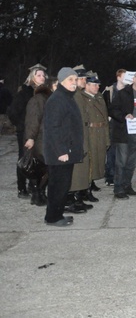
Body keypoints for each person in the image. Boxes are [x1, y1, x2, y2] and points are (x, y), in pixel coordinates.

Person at [43, 68, 83, 227]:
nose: (74, 82)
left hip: (67, 151)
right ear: (61, 81)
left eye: (75, 79)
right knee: (57, 186)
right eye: (70, 79)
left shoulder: (67, 97)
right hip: (60, 153)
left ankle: (57, 213)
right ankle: (52, 217)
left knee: (63, 185)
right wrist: (61, 151)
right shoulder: (57, 99)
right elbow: (53, 128)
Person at [109, 71, 136, 199]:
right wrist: (124, 116)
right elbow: (113, 109)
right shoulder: (123, 93)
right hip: (124, 133)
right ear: (134, 79)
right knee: (121, 162)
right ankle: (118, 188)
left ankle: (127, 186)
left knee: (132, 162)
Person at [8, 63, 47, 198]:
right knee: (25, 159)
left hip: (39, 131)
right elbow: (13, 112)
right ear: (32, 77)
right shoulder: (25, 92)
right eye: (39, 75)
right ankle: (21, 188)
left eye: (43, 75)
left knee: (38, 159)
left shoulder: (44, 92)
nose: (42, 77)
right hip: (26, 132)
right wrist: (22, 125)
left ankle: (34, 186)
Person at [72, 73, 109, 206]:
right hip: (90, 133)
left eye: (98, 85)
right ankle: (85, 190)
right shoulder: (80, 97)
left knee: (97, 161)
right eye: (94, 84)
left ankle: (89, 184)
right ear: (86, 85)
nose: (97, 87)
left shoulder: (99, 97)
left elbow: (105, 118)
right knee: (89, 162)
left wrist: (107, 138)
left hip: (100, 133)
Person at [23, 78, 57, 206]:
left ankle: (41, 193)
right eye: (56, 84)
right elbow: (33, 119)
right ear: (50, 86)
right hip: (40, 139)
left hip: (49, 138)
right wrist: (30, 137)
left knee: (46, 168)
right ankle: (37, 194)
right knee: (39, 167)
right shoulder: (38, 99)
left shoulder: (51, 98)